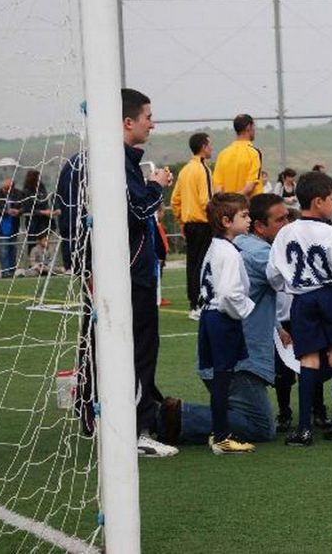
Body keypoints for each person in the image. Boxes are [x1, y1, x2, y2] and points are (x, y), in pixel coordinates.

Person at [266, 171, 332, 446]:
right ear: (318, 202)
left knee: (308, 359)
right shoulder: (331, 233)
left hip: (301, 300)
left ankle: (304, 429)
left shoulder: (285, 233)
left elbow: (273, 274)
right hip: (330, 295)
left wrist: (291, 286)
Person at [121, 88, 178, 458]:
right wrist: (156, 185)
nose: (152, 123)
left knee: (110, 350)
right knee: (139, 351)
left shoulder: (81, 163)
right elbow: (137, 212)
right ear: (128, 122)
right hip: (129, 274)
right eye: (147, 117)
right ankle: (138, 431)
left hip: (110, 273)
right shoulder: (117, 164)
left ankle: (98, 421)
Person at [192, 193, 257, 454]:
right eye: (244, 216)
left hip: (211, 315)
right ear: (226, 220)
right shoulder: (228, 252)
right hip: (221, 317)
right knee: (223, 378)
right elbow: (230, 293)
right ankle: (221, 437)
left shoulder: (215, 246)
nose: (249, 219)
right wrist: (245, 310)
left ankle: (218, 433)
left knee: (222, 378)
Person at [171, 132, 215, 320]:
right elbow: (206, 200)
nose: (211, 148)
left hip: (189, 224)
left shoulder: (185, 170)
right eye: (210, 145)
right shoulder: (202, 169)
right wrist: (216, 220)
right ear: (203, 147)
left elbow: (175, 200)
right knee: (203, 264)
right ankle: (200, 303)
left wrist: (181, 221)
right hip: (203, 223)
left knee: (192, 264)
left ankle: (193, 304)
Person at [213, 114, 263, 196]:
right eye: (254, 127)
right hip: (249, 206)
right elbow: (250, 187)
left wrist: (227, 202)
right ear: (249, 127)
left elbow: (218, 186)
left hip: (227, 207)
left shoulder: (223, 154)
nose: (254, 130)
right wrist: (235, 200)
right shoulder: (254, 153)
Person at [20, 169, 57, 259]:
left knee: (45, 241)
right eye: (37, 177)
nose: (39, 179)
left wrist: (49, 210)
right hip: (33, 222)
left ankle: (46, 263)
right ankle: (33, 264)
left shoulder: (41, 186)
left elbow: (45, 201)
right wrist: (42, 212)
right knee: (33, 242)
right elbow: (27, 208)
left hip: (44, 220)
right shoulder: (26, 191)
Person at [0, 178, 22, 278]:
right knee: (3, 249)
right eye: (5, 188)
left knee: (13, 248)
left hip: (14, 225)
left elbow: (25, 206)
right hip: (1, 225)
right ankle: (5, 271)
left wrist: (18, 211)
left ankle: (12, 271)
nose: (7, 191)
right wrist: (7, 212)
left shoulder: (18, 194)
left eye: (9, 189)